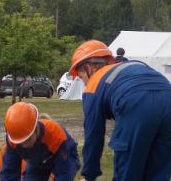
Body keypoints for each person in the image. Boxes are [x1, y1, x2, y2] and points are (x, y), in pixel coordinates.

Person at [69, 40, 171, 181]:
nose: (84, 83)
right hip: (168, 97)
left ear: (89, 68)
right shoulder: (130, 66)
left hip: (137, 104)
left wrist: (89, 175)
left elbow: (94, 135)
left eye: (81, 78)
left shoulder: (94, 83)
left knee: (127, 173)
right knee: (158, 174)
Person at [0, 102, 80, 181]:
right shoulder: (14, 138)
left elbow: (64, 173)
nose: (24, 145)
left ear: (36, 129)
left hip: (64, 155)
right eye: (20, 142)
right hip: (37, 160)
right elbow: (9, 172)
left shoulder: (56, 136)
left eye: (27, 140)